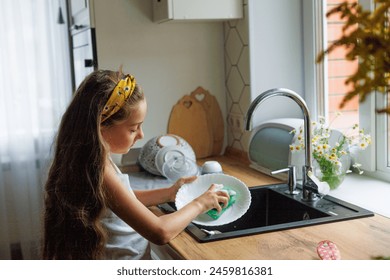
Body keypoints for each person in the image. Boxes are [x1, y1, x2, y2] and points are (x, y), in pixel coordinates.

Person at [43, 68, 229, 260]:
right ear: (101, 126)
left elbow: (124, 201)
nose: (141, 135)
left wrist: (169, 192)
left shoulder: (92, 159)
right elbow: (160, 232)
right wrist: (201, 203)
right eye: (133, 128)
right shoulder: (98, 170)